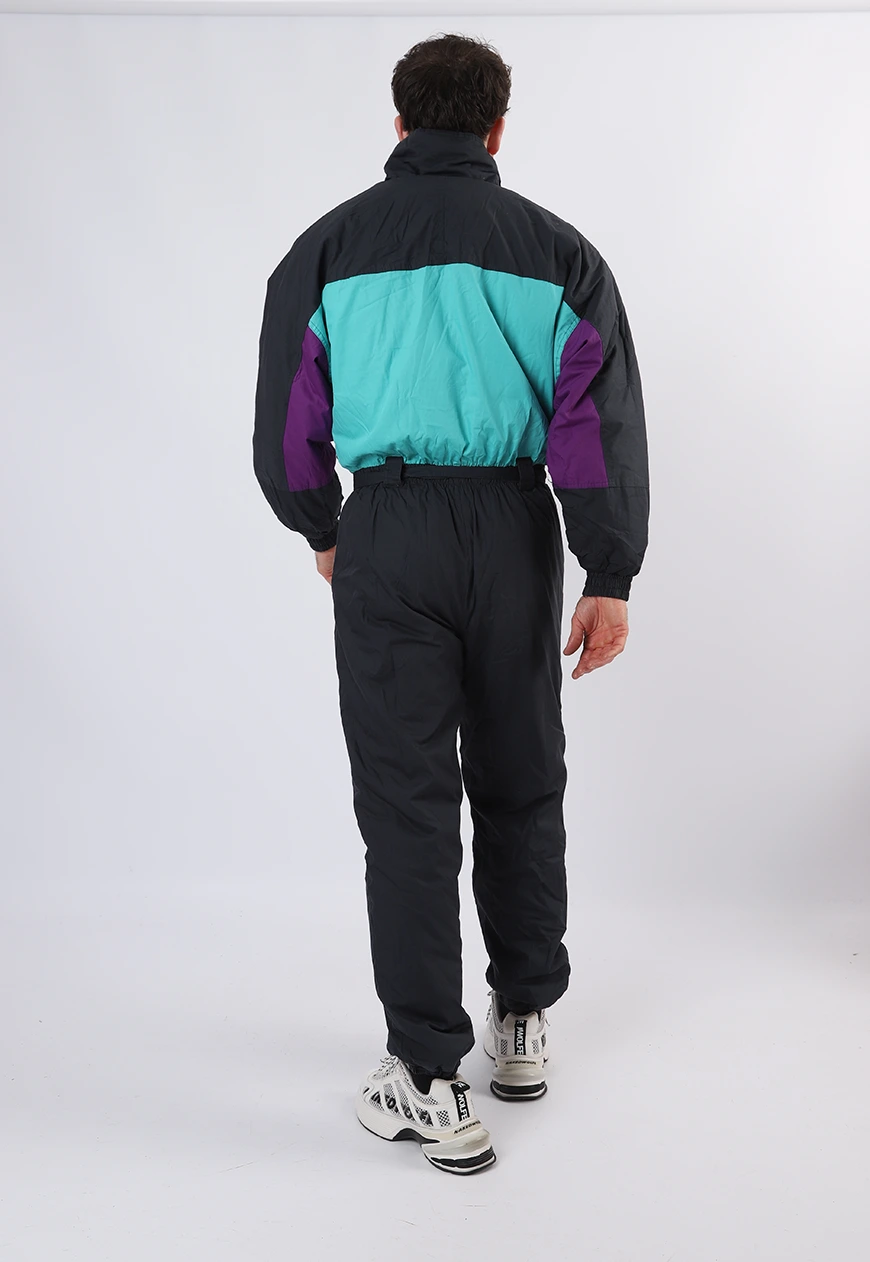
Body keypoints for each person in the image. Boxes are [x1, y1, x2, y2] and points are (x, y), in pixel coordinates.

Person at [253, 33, 650, 1175]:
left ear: (398, 124)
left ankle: (429, 1075)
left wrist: (323, 527)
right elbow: (593, 422)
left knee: (407, 804)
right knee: (521, 773)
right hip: (515, 532)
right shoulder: (559, 254)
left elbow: (287, 421)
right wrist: (608, 571)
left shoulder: (325, 251)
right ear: (496, 129)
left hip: (389, 532)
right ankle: (520, 1018)